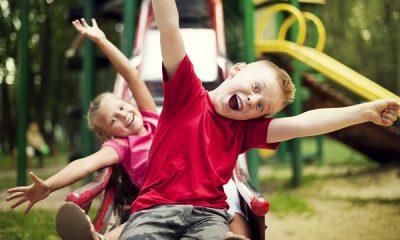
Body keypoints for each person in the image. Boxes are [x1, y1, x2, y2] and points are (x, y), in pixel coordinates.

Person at [117, 0, 400, 239]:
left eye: (261, 105)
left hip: (208, 216)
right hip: (156, 208)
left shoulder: (243, 131)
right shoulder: (186, 93)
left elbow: (306, 123)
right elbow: (169, 27)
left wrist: (365, 112)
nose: (253, 101)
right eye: (255, 88)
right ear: (236, 70)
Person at [5, 18, 252, 240]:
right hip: (159, 202)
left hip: (202, 189)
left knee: (233, 207)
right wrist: (49, 185)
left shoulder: (152, 118)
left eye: (122, 107)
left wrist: (102, 41)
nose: (123, 115)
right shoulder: (121, 146)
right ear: (110, 134)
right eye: (113, 120)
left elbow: (130, 75)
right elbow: (85, 163)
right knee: (137, 220)